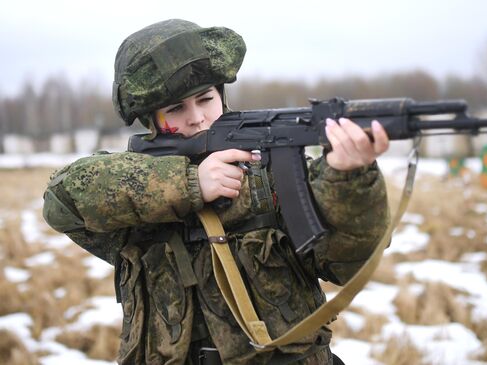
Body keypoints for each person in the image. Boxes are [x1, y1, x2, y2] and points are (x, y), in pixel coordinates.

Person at [42, 19, 390, 365]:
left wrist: (348, 179)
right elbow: (62, 200)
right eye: (176, 109)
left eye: (205, 98)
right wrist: (189, 184)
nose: (197, 118)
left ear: (221, 96)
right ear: (151, 121)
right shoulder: (133, 194)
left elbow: (346, 264)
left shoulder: (271, 175)